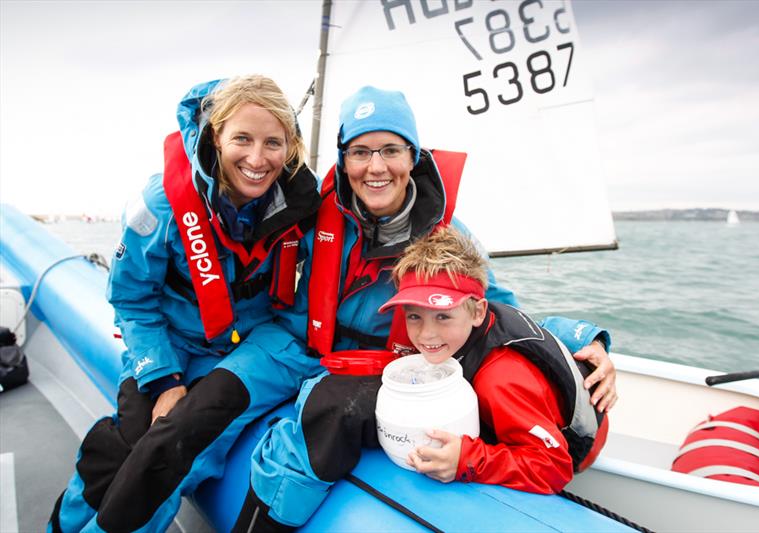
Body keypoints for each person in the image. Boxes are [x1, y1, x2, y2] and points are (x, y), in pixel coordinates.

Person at [233, 85, 616, 531]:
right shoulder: (324, 216)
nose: (426, 331)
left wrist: (584, 340)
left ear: (413, 155)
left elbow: (505, 311)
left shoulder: (495, 365)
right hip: (326, 357)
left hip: (532, 425)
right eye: (412, 316)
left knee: (334, 410)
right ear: (343, 160)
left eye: (391, 149)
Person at [48, 75, 324, 533]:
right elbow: (131, 298)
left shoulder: (304, 204)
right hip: (172, 345)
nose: (257, 159)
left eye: (273, 143)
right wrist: (164, 379)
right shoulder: (161, 203)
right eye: (242, 139)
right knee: (123, 444)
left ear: (291, 146)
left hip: (252, 347)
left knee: (172, 443)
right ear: (216, 135)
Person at [381, 226, 608, 492]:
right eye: (414, 316)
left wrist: (468, 459)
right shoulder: (475, 325)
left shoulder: (499, 380)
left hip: (572, 441)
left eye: (443, 316)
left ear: (477, 312)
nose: (426, 334)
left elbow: (555, 466)